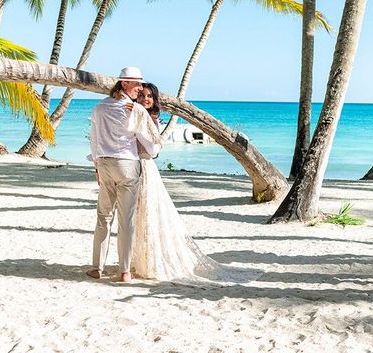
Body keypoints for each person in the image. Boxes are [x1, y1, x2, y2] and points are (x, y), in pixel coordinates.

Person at [129, 82, 259, 283]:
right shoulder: (137, 115)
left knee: (150, 214)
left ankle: (151, 262)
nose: (146, 99)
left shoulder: (150, 119)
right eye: (142, 95)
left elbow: (153, 150)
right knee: (139, 215)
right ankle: (139, 260)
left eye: (150, 96)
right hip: (133, 167)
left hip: (145, 167)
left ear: (154, 101)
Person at [87, 67, 161, 282]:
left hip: (104, 163)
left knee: (103, 218)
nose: (140, 88)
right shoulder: (133, 110)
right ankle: (124, 271)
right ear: (124, 84)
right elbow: (151, 146)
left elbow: (94, 140)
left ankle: (97, 268)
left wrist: (97, 164)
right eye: (137, 84)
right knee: (125, 219)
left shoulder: (99, 107)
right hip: (127, 164)